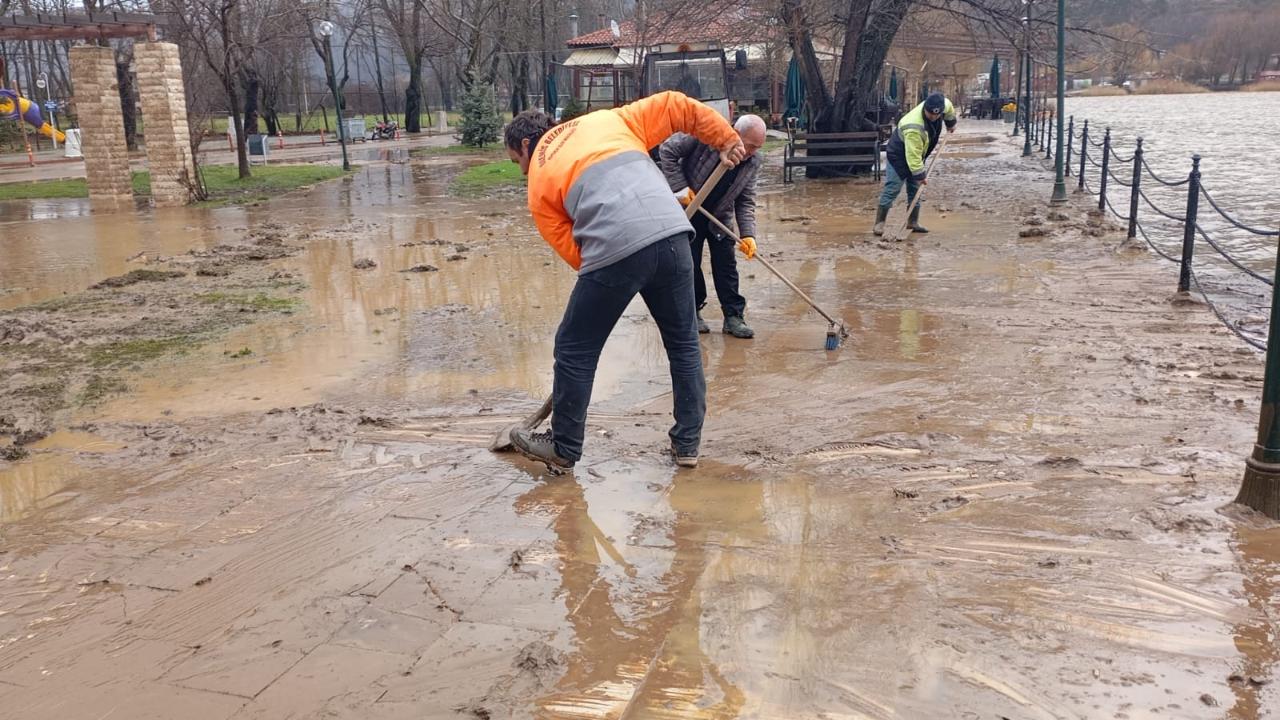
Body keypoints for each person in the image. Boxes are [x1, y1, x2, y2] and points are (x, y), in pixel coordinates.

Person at [503, 91, 745, 473]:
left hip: (614, 250)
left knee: (575, 348)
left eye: (516, 161)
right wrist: (726, 138)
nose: (521, 170)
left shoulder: (538, 181)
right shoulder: (609, 120)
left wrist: (615, 282)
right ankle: (687, 446)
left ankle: (563, 446)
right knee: (683, 345)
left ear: (525, 145)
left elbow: (575, 253)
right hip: (674, 235)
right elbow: (675, 106)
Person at [657, 114, 765, 339]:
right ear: (736, 132)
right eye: (750, 145)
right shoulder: (706, 134)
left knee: (726, 267)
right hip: (688, 211)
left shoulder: (752, 161)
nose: (752, 152)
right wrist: (680, 187)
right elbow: (667, 150)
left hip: (720, 217)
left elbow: (745, 200)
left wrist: (748, 235)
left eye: (758, 147)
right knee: (690, 265)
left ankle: (733, 316)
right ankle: (693, 312)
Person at [873, 91, 957, 236]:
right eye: (930, 114)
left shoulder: (943, 104)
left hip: (917, 154)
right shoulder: (914, 126)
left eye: (937, 115)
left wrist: (951, 123)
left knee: (915, 189)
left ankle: (913, 222)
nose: (934, 117)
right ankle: (879, 223)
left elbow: (949, 110)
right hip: (898, 155)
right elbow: (912, 156)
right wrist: (920, 175)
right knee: (893, 187)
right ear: (925, 107)